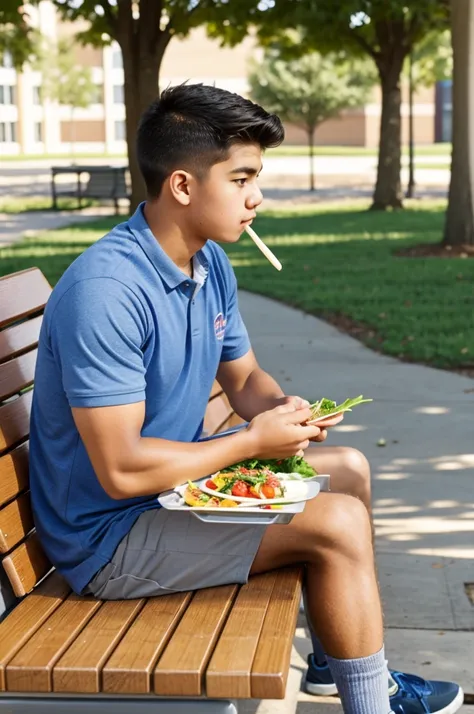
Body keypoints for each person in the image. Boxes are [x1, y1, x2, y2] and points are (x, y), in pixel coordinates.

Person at [29, 83, 463, 714]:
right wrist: (253, 441)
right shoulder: (107, 291)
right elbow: (121, 471)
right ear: (182, 185)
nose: (257, 197)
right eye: (242, 178)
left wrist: (285, 411)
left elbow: (246, 380)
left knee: (347, 470)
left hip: (170, 492)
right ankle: (372, 704)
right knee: (336, 524)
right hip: (108, 542)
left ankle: (331, 661)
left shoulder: (208, 263)